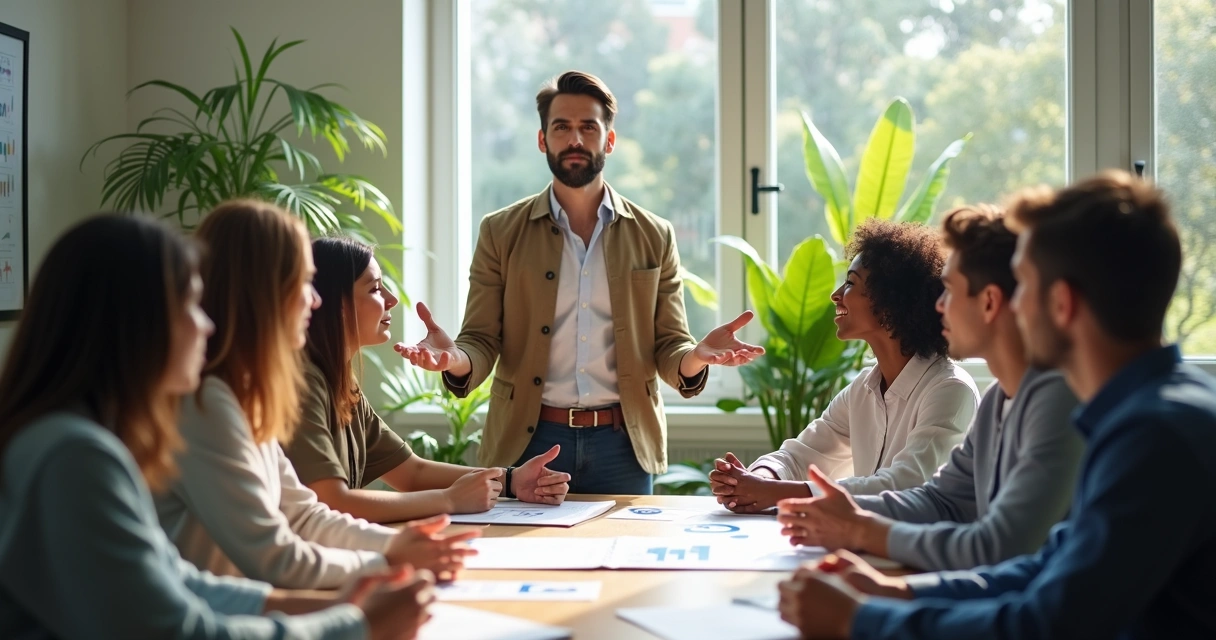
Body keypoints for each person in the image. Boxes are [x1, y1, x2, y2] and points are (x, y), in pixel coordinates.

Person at [776, 171, 1216, 639]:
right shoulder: (1134, 415)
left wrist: (859, 619)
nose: (1010, 304)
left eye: (1022, 285)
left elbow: (1048, 621)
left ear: (1062, 303)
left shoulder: (1153, 435)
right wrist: (899, 594)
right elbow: (1047, 570)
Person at [0, 214, 433, 639]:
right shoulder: (76, 455)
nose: (207, 323)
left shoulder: (81, 441)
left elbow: (180, 586)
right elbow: (178, 629)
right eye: (190, 304)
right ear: (137, 323)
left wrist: (346, 602)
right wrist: (359, 620)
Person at [398, 70, 764, 495]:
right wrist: (455, 359)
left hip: (623, 445)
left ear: (608, 140)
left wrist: (698, 356)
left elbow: (668, 346)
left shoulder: (654, 234)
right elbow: (481, 339)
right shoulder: (500, 231)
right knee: (525, 562)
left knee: (625, 559)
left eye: (588, 127)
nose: (575, 139)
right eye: (562, 127)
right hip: (529, 440)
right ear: (543, 140)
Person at [155, 200, 477, 589]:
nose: (315, 300)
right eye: (303, 284)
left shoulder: (244, 396)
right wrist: (389, 560)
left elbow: (306, 516)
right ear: (262, 293)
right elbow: (273, 555)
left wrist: (398, 545)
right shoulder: (208, 403)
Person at [774, 205, 1084, 571]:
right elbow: (941, 501)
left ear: (989, 302)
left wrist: (860, 533)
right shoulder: (998, 401)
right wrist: (845, 515)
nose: (937, 305)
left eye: (949, 290)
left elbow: (1000, 549)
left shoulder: (1057, 402)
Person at [285, 236, 571, 523]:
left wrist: (511, 480)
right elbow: (331, 501)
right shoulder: (304, 385)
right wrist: (448, 500)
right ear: (334, 303)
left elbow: (411, 472)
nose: (391, 299)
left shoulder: (342, 383)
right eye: (374, 288)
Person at [711, 219, 979, 512]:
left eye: (851, 283)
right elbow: (801, 457)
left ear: (890, 302)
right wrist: (757, 480)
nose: (836, 294)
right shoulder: (862, 390)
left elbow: (905, 484)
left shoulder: (950, 391)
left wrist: (774, 492)